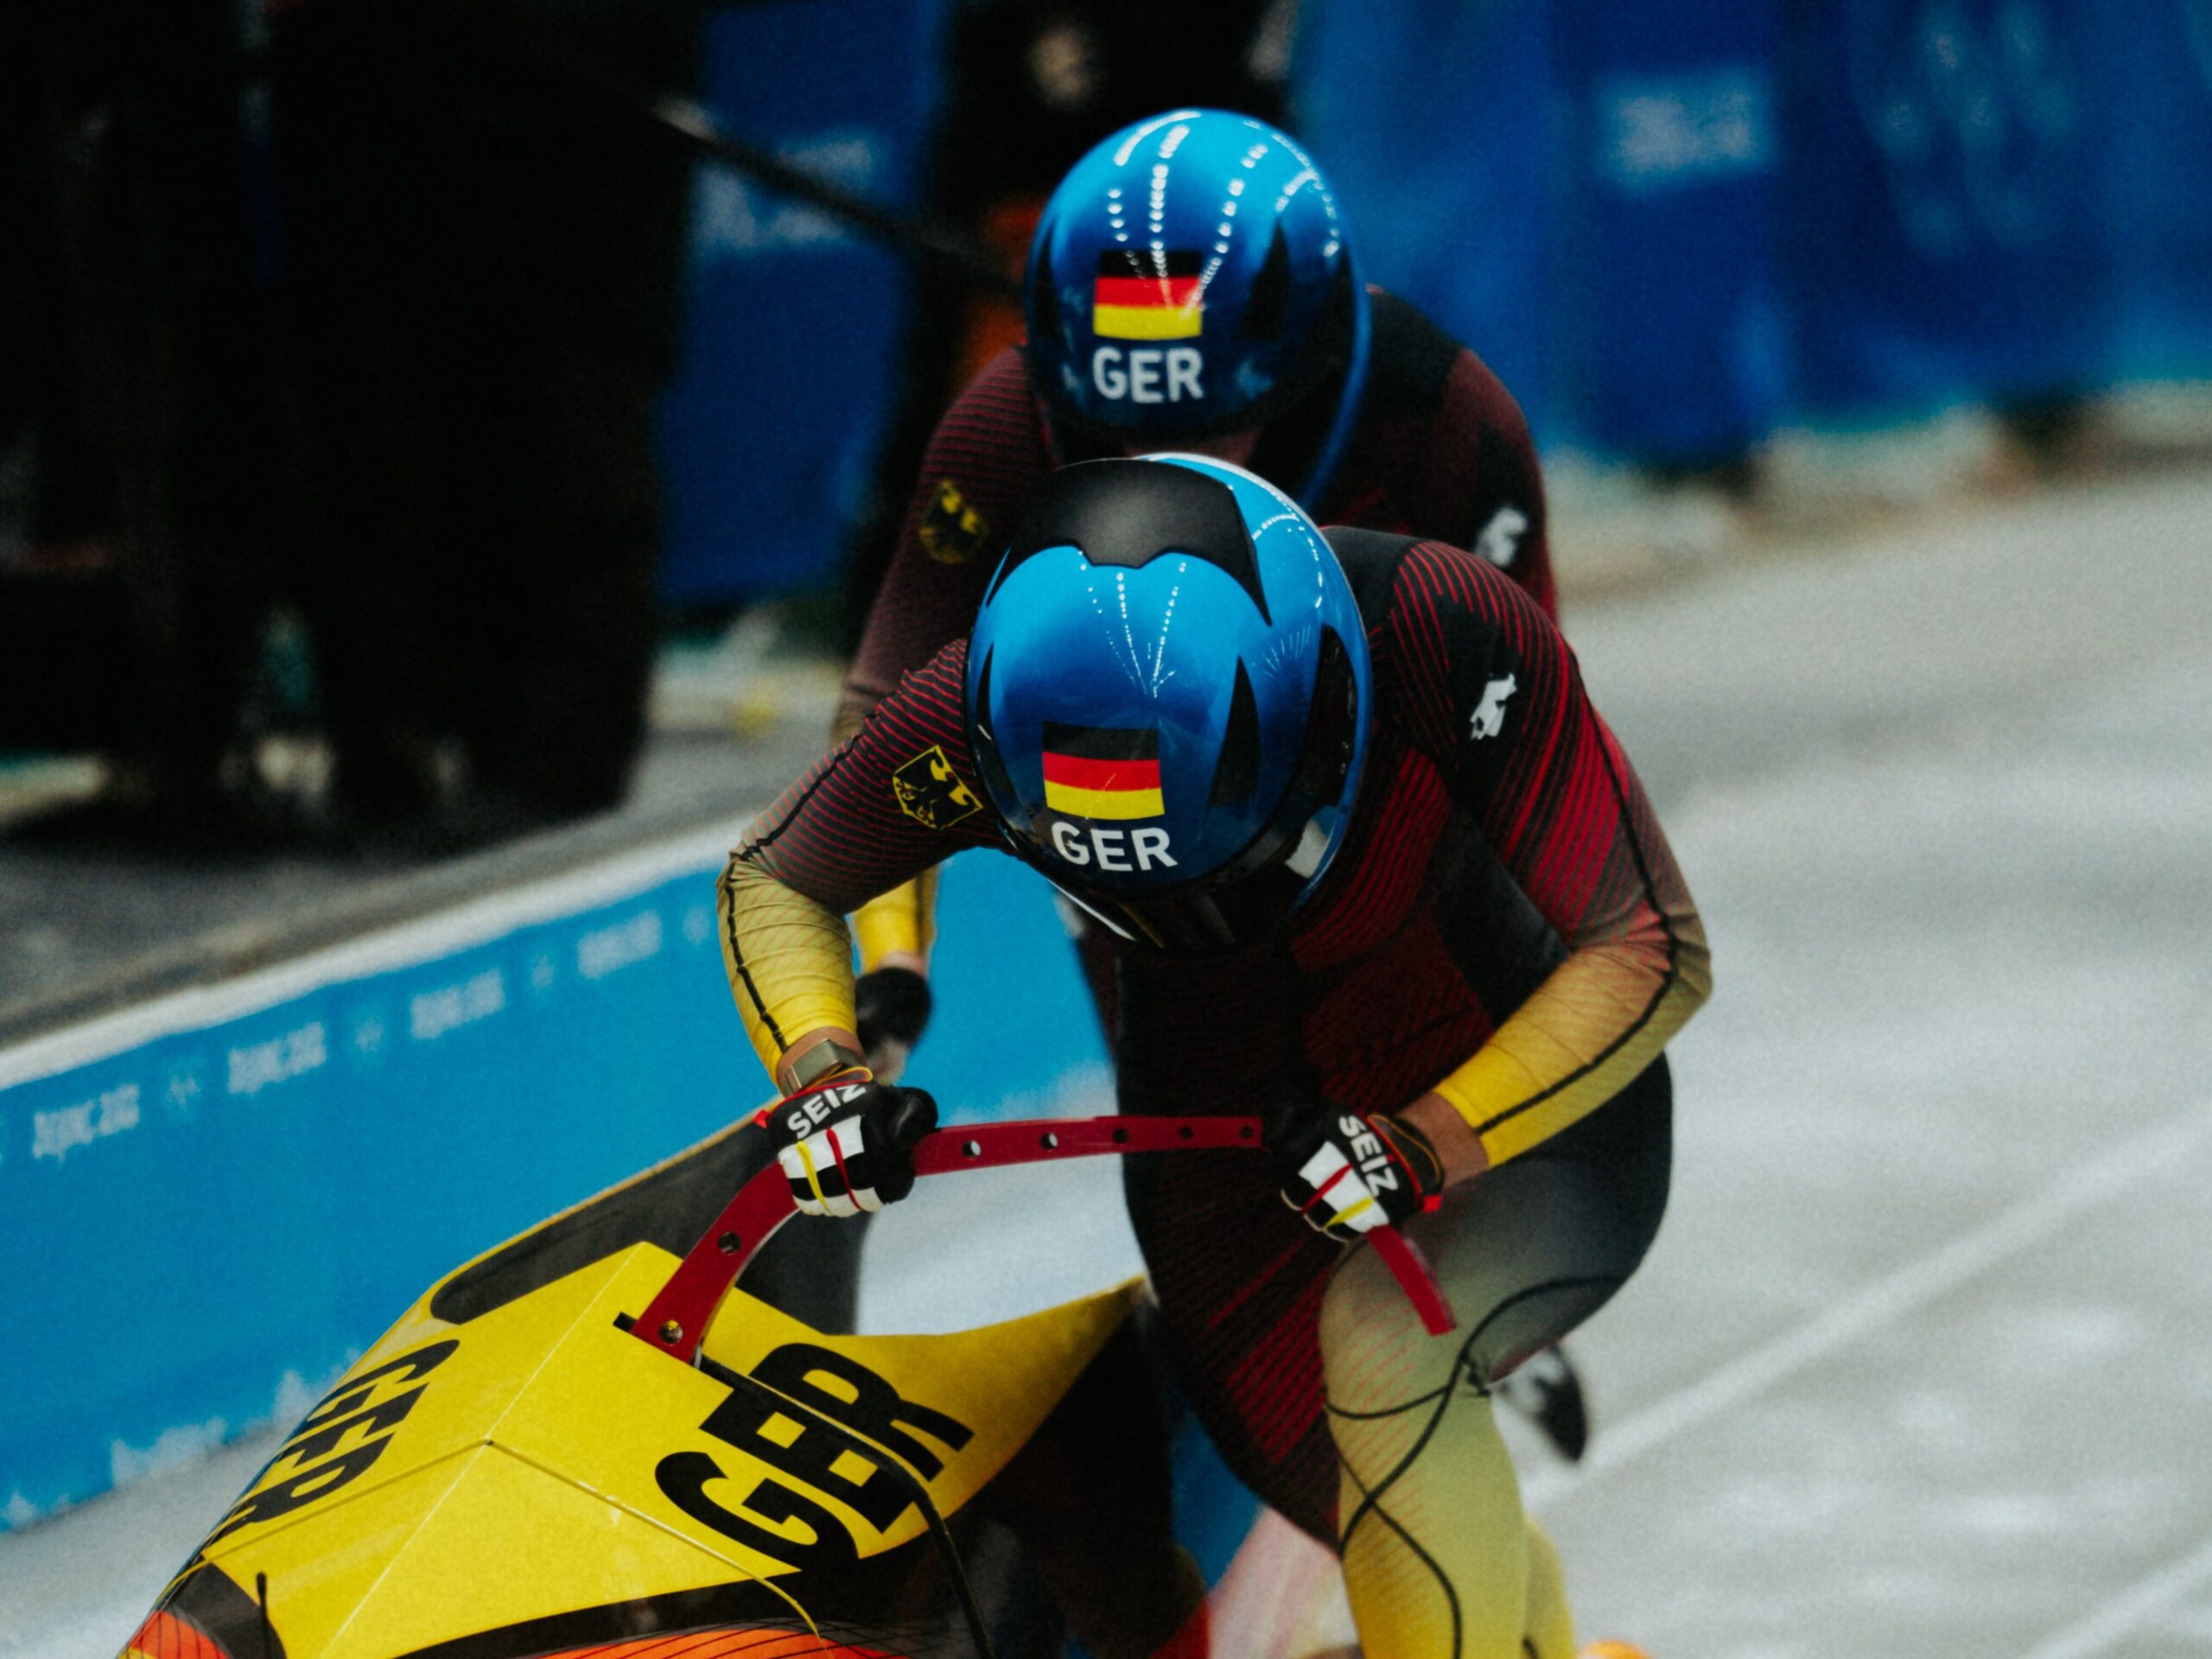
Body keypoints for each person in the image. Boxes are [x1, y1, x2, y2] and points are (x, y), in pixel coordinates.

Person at [718, 455, 1711, 1658]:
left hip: (1507, 1073)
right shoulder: (982, 717)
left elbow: (1650, 945)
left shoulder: (1441, 630)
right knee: (1343, 1490)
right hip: (1226, 1116)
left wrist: (1430, 1136)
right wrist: (827, 1073)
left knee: (1387, 1354)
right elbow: (776, 874)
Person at [828, 105, 1593, 1457]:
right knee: (1202, 1122)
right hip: (1143, 814)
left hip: (1383, 790)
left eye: (1220, 424)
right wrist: (884, 977)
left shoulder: (1442, 425)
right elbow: (889, 710)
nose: (1177, 467)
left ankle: (1457, 1289)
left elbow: (1515, 747)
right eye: (1121, 429)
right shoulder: (1007, 426)